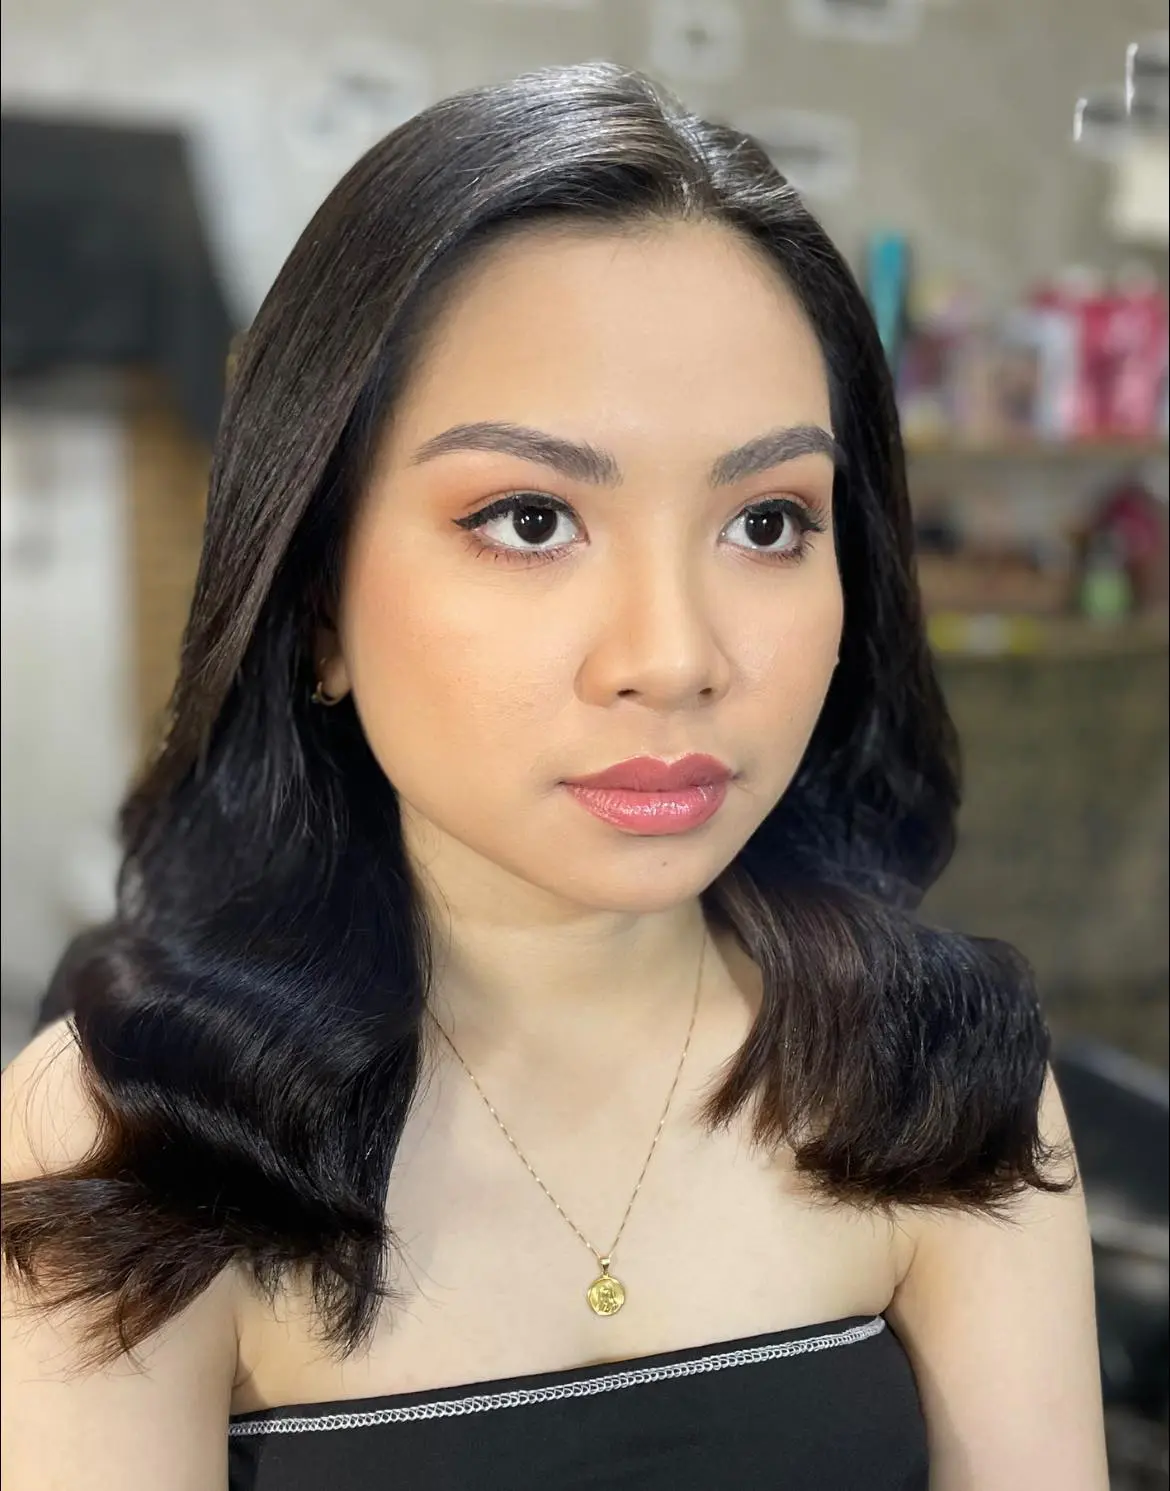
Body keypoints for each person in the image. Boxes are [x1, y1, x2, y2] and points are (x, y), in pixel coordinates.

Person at [1, 63, 1108, 1491]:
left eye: (768, 522)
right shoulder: (132, 1134)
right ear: (316, 600)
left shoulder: (935, 1076)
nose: (674, 657)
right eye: (530, 519)